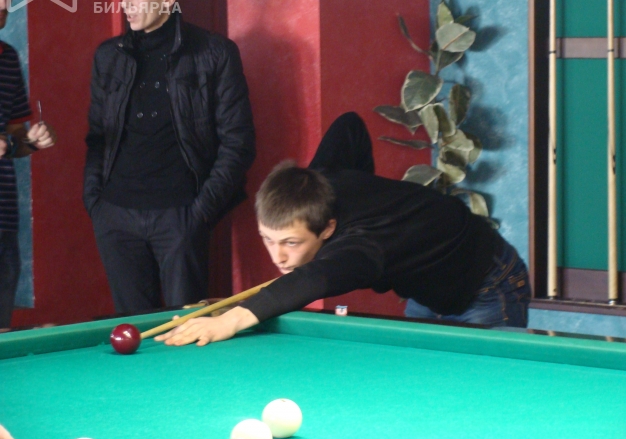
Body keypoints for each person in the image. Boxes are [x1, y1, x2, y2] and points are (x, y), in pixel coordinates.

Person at [155, 112, 530, 347]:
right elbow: (349, 125)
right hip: (429, 285)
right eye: (268, 239)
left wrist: (229, 320)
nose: (278, 256)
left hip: (486, 281)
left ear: (328, 228)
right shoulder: (317, 184)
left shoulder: (361, 250)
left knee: (487, 391)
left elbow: (312, 280)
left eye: (291, 243)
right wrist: (366, 187)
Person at [84, 0, 255, 314]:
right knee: (134, 331)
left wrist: (199, 213)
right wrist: (96, 203)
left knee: (185, 327)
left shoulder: (214, 53)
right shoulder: (109, 56)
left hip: (180, 216)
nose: (126, 3)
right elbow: (97, 137)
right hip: (115, 216)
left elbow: (239, 142)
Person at [0, 0, 57, 328]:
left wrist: (31, 142)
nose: (3, 3)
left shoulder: (7, 58)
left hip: (4, 223)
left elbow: (13, 141)